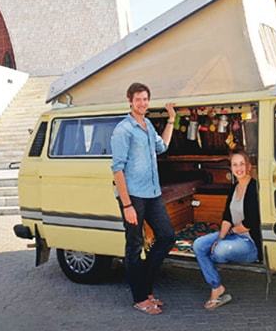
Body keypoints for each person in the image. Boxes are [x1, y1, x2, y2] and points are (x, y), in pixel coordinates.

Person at [110, 82, 176, 315]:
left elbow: (163, 147)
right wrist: (127, 205)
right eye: (138, 99)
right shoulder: (123, 130)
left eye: (145, 99)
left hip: (152, 193)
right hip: (133, 197)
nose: (142, 103)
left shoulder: (147, 124)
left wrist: (171, 120)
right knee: (134, 246)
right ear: (130, 101)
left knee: (167, 236)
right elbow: (117, 169)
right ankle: (140, 298)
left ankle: (145, 286)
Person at [192, 149, 262, 310]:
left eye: (242, 164)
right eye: (234, 165)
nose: (239, 168)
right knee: (198, 245)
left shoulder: (255, 188)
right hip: (234, 235)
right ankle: (217, 286)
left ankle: (216, 268)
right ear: (231, 168)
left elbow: (252, 221)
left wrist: (223, 239)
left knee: (218, 252)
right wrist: (220, 238)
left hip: (249, 241)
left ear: (249, 166)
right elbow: (227, 217)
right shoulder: (234, 188)